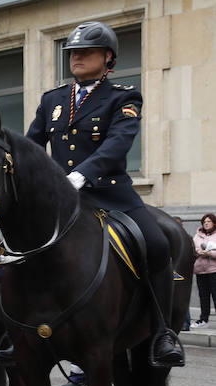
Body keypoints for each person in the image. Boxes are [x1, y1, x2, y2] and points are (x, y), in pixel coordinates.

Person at [26, 20, 183, 368]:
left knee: (157, 245)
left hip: (111, 195)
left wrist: (82, 174)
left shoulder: (124, 96)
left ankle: (162, 333)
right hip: (61, 201)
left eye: (86, 52)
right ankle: (15, 330)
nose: (77, 57)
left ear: (108, 57)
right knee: (20, 250)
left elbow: (117, 145)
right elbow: (32, 146)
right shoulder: (52, 99)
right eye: (73, 52)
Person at [191, 212, 216, 329]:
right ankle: (203, 319)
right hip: (200, 271)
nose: (206, 224)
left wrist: (210, 253)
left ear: (214, 223)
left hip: (213, 270)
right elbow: (192, 250)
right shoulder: (197, 236)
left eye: (208, 221)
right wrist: (197, 252)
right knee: (203, 296)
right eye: (204, 222)